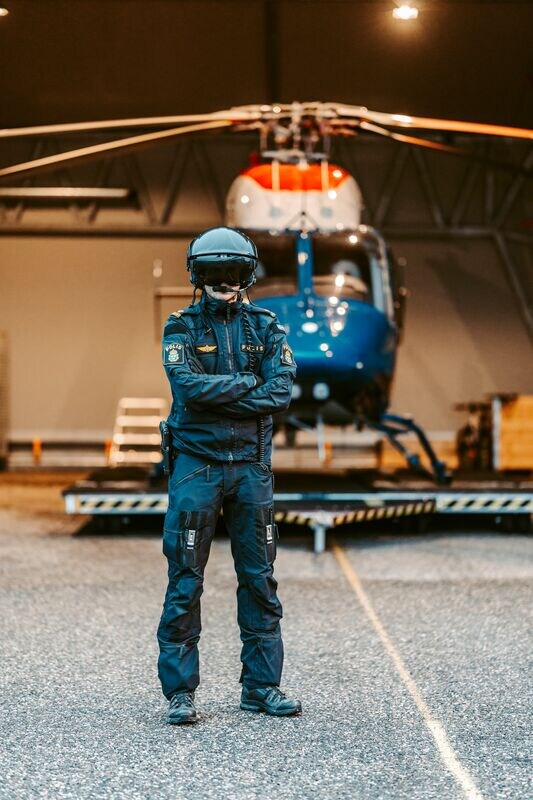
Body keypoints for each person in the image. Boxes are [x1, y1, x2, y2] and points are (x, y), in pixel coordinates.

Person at [157, 226, 302, 724]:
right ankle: (180, 693)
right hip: (195, 467)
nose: (224, 281)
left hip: (250, 470)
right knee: (185, 580)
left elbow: (280, 392)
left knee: (260, 579)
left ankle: (261, 688)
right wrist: (246, 383)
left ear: (247, 276)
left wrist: (221, 394)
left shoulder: (266, 327)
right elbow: (187, 388)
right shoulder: (180, 328)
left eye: (233, 272)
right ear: (198, 277)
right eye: (214, 272)